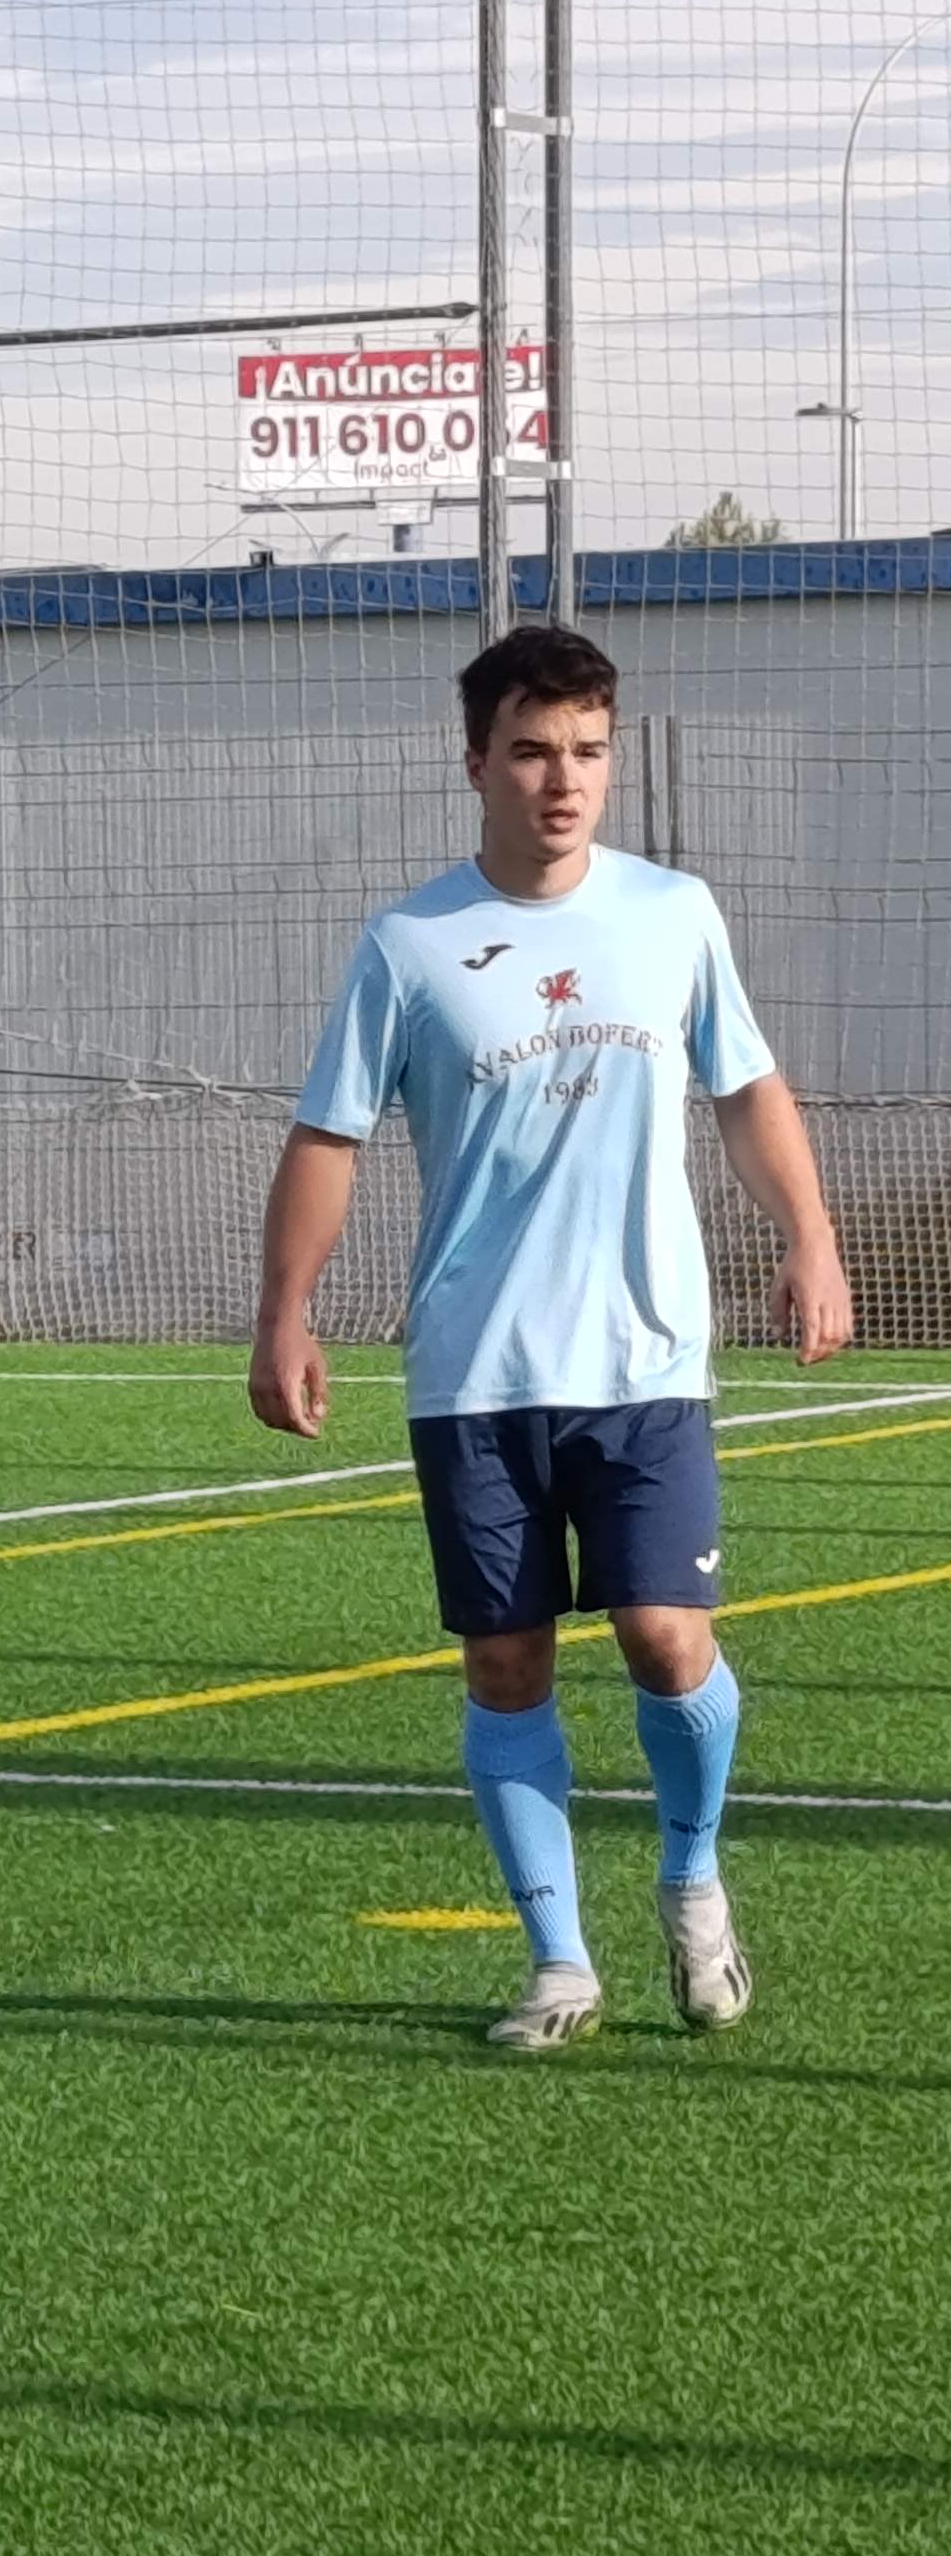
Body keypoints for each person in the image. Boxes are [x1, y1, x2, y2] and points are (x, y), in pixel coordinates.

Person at [253, 623, 857, 2053]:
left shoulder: (674, 915)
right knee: (507, 1664)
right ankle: (559, 1963)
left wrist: (811, 1236)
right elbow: (329, 1136)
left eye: (588, 749)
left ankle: (692, 1879)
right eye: (531, 751)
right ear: (477, 763)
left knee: (665, 1637)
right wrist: (285, 1311)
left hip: (646, 1357)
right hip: (475, 1371)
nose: (563, 778)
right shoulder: (408, 946)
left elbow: (746, 1091)